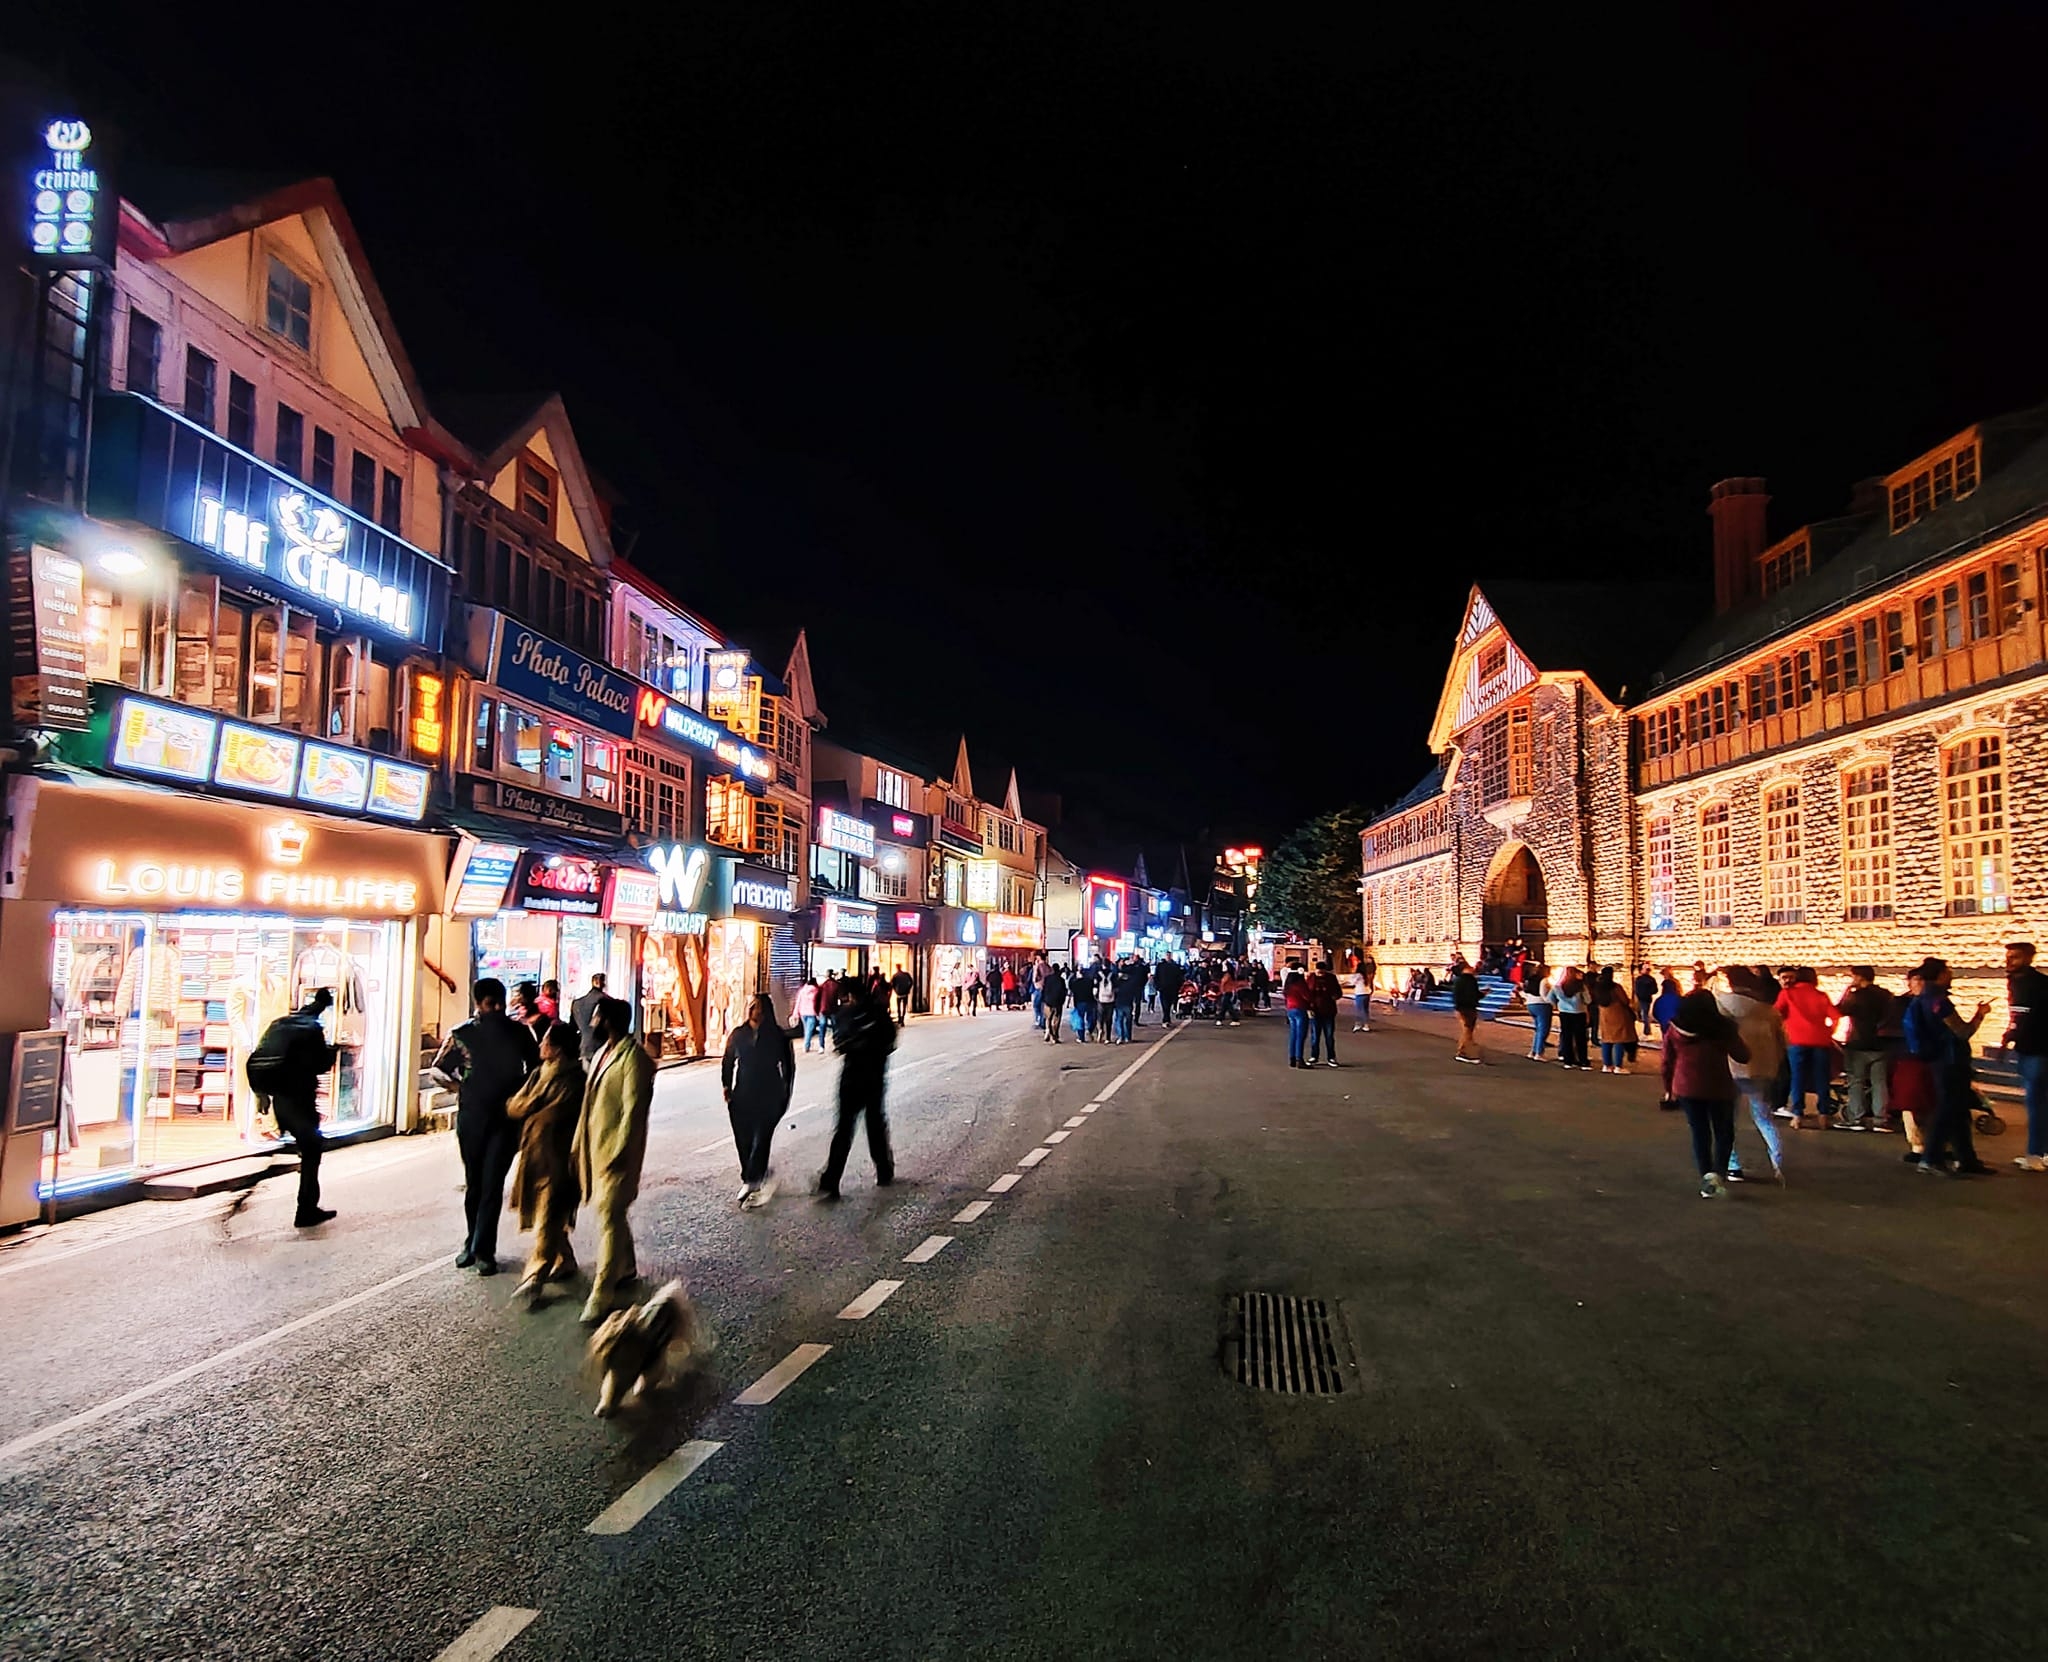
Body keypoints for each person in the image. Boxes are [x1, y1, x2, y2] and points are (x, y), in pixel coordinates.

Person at [433, 978, 540, 1275]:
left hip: (505, 1119)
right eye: (490, 1003)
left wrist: (524, 1098)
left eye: (500, 1003)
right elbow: (438, 1068)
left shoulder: (519, 1032)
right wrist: (454, 1085)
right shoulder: (461, 1034)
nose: (496, 1009)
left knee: (492, 1184)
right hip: (471, 1118)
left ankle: (484, 1250)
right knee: (475, 1184)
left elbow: (536, 1069)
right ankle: (471, 1241)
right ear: (478, 1004)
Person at [574, 996, 654, 1319]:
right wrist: (579, 1144)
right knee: (612, 1213)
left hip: (616, 1153)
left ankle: (602, 1291)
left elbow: (634, 1111)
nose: (591, 1022)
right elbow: (589, 1106)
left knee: (609, 1215)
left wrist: (622, 1151)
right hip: (596, 1147)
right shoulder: (601, 1055)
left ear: (608, 1021)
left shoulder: (632, 1058)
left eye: (596, 1017)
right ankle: (626, 1266)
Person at [505, 1019, 585, 1303]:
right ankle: (565, 1260)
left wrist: (531, 1107)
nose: (541, 1045)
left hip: (559, 1157)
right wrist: (529, 1106)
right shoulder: (539, 1073)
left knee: (549, 1216)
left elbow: (556, 1114)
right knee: (545, 1214)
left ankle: (535, 1275)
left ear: (559, 1049)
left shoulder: (574, 1079)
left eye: (546, 1041)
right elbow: (515, 1105)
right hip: (534, 1153)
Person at [246, 987, 338, 1228]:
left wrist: (261, 1094)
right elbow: (319, 1064)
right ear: (323, 1007)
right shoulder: (312, 1028)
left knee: (308, 1146)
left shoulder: (280, 1024)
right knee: (312, 1150)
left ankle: (307, 1207)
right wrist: (332, 1053)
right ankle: (306, 1208)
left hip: (279, 1097)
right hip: (300, 1097)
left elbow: (259, 1056)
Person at [1905, 957, 1993, 1176]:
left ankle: (1966, 1158)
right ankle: (1931, 1158)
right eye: (1948, 972)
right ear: (1940, 975)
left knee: (1959, 1111)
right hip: (1949, 1060)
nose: (1951, 975)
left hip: (1939, 1059)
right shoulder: (1937, 1001)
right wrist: (1980, 1015)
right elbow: (1962, 1031)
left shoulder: (1920, 999)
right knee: (1946, 1110)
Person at [1662, 989, 1751, 1198]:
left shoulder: (1675, 1029)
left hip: (1687, 1087)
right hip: (1720, 1086)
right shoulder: (1723, 1029)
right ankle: (1719, 1173)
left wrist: (1668, 1088)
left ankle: (1706, 1177)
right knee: (1724, 1132)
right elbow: (1743, 1056)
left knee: (1700, 1133)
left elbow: (1667, 1061)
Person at [819, 977, 896, 1198]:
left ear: (849, 996)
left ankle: (831, 1179)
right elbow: (890, 1041)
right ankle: (884, 1170)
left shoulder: (846, 1015)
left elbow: (840, 1043)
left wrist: (856, 1045)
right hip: (874, 1077)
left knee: (844, 1129)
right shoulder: (879, 1012)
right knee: (874, 1125)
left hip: (852, 1077)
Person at [723, 992, 796, 1208]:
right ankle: (753, 1173)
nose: (757, 1012)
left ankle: (751, 1179)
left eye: (761, 1008)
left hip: (769, 1092)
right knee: (743, 1138)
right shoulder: (739, 1034)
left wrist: (785, 1091)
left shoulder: (777, 1036)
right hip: (742, 1092)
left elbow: (788, 1066)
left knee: (761, 1137)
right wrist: (726, 1085)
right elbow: (728, 1061)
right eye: (754, 1007)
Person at [1715, 967, 1786, 1184]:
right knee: (1764, 1118)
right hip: (1762, 1070)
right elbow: (1781, 1042)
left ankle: (1732, 1166)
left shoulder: (1721, 1006)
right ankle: (1778, 1163)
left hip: (1731, 1068)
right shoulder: (1768, 1011)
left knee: (1728, 1120)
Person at [2004, 942, 2048, 1171]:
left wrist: (2015, 1034)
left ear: (2029, 958)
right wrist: (2009, 1035)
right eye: (2008, 956)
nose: (2009, 961)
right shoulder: (2015, 983)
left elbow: (2029, 1018)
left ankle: (2035, 1154)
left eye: (2015, 957)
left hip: (2038, 1050)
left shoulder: (2038, 985)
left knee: (2036, 1103)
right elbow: (2018, 1015)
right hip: (2028, 1047)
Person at [1775, 968, 1839, 1126]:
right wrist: (1829, 1032)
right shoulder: (1821, 995)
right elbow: (1836, 1017)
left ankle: (1797, 1115)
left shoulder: (1788, 993)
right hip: (1820, 1040)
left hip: (1796, 1040)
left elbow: (1775, 1013)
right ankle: (1823, 1115)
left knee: (1798, 1078)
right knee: (1822, 1078)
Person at [1833, 966, 1893, 1132]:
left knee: (1856, 1082)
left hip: (1858, 1044)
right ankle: (1880, 1120)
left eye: (1852, 976)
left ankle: (1856, 1117)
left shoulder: (1856, 996)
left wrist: (1846, 992)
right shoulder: (1886, 995)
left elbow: (1839, 1010)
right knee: (1880, 1083)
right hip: (1881, 1044)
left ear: (1859, 977)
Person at [1548, 966, 1590, 1070]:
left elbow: (1549, 998)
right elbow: (1588, 1000)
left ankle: (1568, 1061)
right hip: (1579, 1012)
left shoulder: (1558, 987)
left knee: (1567, 1036)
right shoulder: (1580, 986)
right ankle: (1583, 1061)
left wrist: (1558, 1005)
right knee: (1580, 1037)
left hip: (1564, 1013)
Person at [1596, 978, 1638, 1074]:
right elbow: (1625, 1001)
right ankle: (1618, 1066)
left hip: (1604, 1015)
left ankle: (1606, 1065)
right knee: (1619, 1040)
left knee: (1606, 1040)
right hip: (1617, 1014)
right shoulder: (1615, 987)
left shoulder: (1598, 988)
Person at [1307, 960, 1342, 1066]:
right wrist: (1309, 1008)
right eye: (1318, 971)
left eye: (1322, 972)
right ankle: (1314, 1056)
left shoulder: (1331, 978)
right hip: (1315, 1011)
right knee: (1315, 1036)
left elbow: (1338, 992)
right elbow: (1307, 994)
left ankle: (1331, 1057)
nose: (1320, 974)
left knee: (1329, 1035)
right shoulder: (1311, 978)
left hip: (1328, 1011)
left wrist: (1334, 996)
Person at [569, 973, 608, 1062]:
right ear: (603, 983)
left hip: (582, 1047)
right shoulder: (606, 1002)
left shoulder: (577, 1004)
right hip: (601, 1049)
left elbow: (572, 1027)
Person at [1452, 962, 1483, 1064]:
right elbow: (1473, 994)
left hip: (1460, 1008)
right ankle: (1465, 1053)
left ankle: (1464, 1051)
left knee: (1467, 1030)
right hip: (1468, 1008)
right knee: (1468, 1030)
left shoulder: (1458, 980)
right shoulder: (1470, 980)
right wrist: (1482, 994)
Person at [1524, 962, 1553, 1061]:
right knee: (1543, 1029)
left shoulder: (1530, 979)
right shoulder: (1544, 980)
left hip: (1530, 1004)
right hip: (1541, 1004)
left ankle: (1533, 1051)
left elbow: (1525, 991)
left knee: (1538, 1029)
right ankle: (1539, 1053)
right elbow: (1543, 994)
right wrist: (1552, 1002)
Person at [1041, 961, 1068, 1042]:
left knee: (1048, 1018)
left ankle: (1048, 1030)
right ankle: (1054, 1036)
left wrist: (1044, 999)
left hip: (1048, 1001)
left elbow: (1044, 989)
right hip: (1058, 1002)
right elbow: (1064, 991)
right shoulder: (1061, 980)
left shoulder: (1047, 979)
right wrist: (1063, 1001)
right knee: (1056, 1019)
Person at [1154, 956, 1184, 1027]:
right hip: (1164, 988)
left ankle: (1166, 1019)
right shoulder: (1160, 966)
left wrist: (1178, 987)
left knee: (1168, 1004)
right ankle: (1166, 1019)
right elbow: (1156, 977)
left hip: (1172, 988)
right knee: (1165, 1005)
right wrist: (1157, 986)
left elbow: (1179, 977)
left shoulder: (1175, 966)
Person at [796, 977, 823, 1052]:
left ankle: (807, 1045)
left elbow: (798, 1002)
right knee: (809, 1030)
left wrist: (795, 1013)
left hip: (803, 1013)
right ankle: (806, 1046)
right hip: (812, 1012)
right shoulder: (816, 990)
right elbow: (817, 1002)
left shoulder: (802, 991)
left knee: (806, 1030)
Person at [1350, 954, 1375, 1033]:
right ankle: (1366, 1025)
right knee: (1365, 1010)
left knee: (1359, 1010)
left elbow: (1352, 982)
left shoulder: (1358, 975)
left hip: (1360, 993)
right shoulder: (1366, 975)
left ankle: (1358, 1024)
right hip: (1366, 993)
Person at [1633, 965, 1659, 1034]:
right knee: (1645, 1013)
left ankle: (1647, 1030)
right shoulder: (1651, 979)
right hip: (1647, 998)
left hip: (1642, 998)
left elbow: (1636, 989)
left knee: (1644, 1014)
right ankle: (1647, 1029)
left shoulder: (1639, 979)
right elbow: (1655, 990)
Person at [1097, 959, 1119, 1039]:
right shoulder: (1113, 974)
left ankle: (1100, 1029)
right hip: (1110, 999)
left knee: (1100, 1017)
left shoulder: (1098, 974)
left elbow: (1095, 987)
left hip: (1101, 998)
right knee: (1109, 1019)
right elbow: (1116, 987)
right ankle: (1108, 1037)